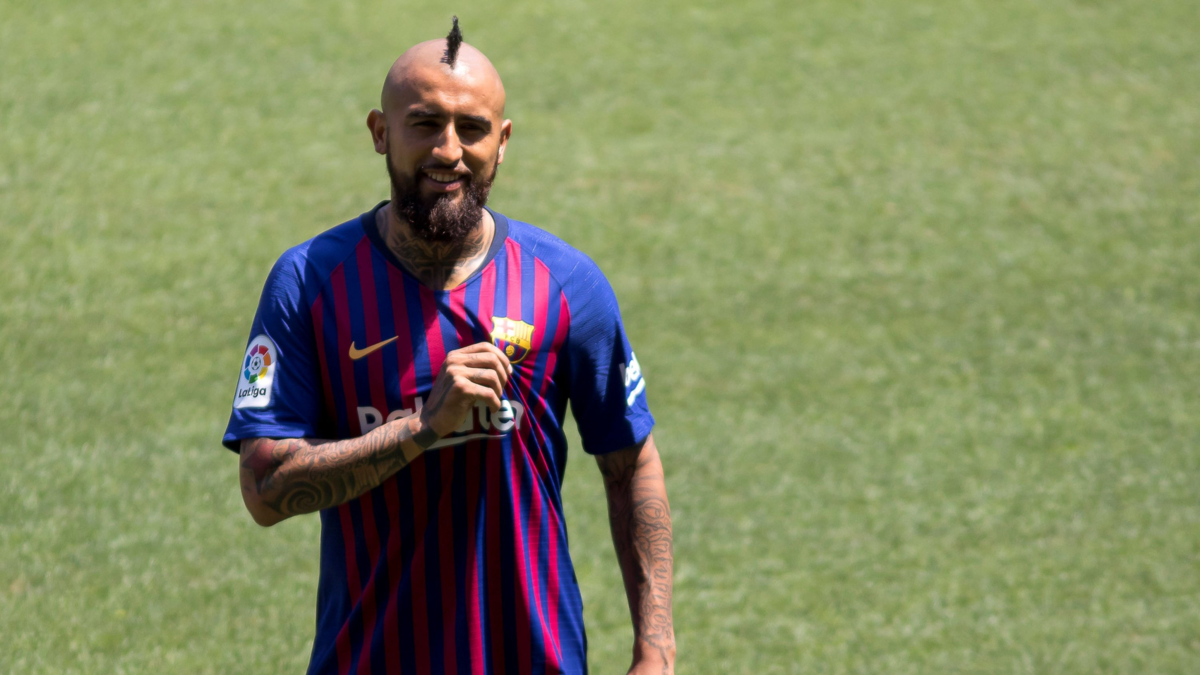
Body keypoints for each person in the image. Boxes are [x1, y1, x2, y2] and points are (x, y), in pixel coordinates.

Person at [222, 18, 675, 675]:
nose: (449, 150)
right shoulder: (310, 281)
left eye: (473, 128)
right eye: (425, 124)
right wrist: (422, 426)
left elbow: (630, 464)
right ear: (380, 132)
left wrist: (655, 652)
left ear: (504, 140)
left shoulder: (565, 284)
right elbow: (264, 489)